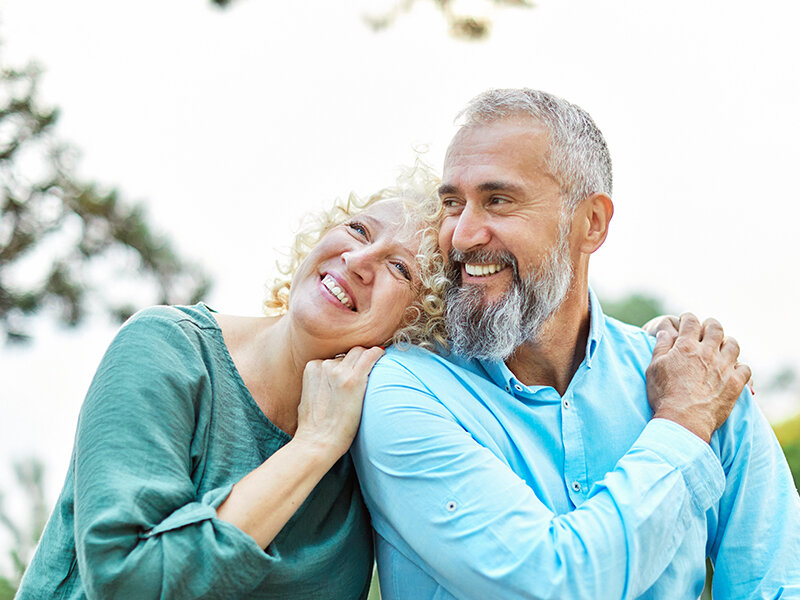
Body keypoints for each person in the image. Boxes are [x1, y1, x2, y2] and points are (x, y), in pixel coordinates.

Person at [352, 89, 800, 599]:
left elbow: (777, 585)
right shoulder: (404, 391)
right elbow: (550, 585)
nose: (461, 235)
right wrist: (683, 427)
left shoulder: (699, 375)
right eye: (452, 203)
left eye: (498, 200)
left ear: (591, 223)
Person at [16, 173, 443, 599]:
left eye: (400, 268)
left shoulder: (373, 456)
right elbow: (127, 581)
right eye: (359, 229)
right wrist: (313, 445)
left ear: (419, 329)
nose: (357, 259)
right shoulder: (168, 347)